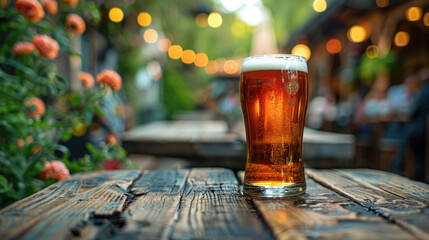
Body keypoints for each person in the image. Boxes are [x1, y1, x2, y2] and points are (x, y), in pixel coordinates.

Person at [391, 68, 429, 181]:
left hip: (419, 132)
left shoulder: (424, 92)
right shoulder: (421, 91)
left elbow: (414, 112)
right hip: (422, 132)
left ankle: (397, 167)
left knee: (405, 137)